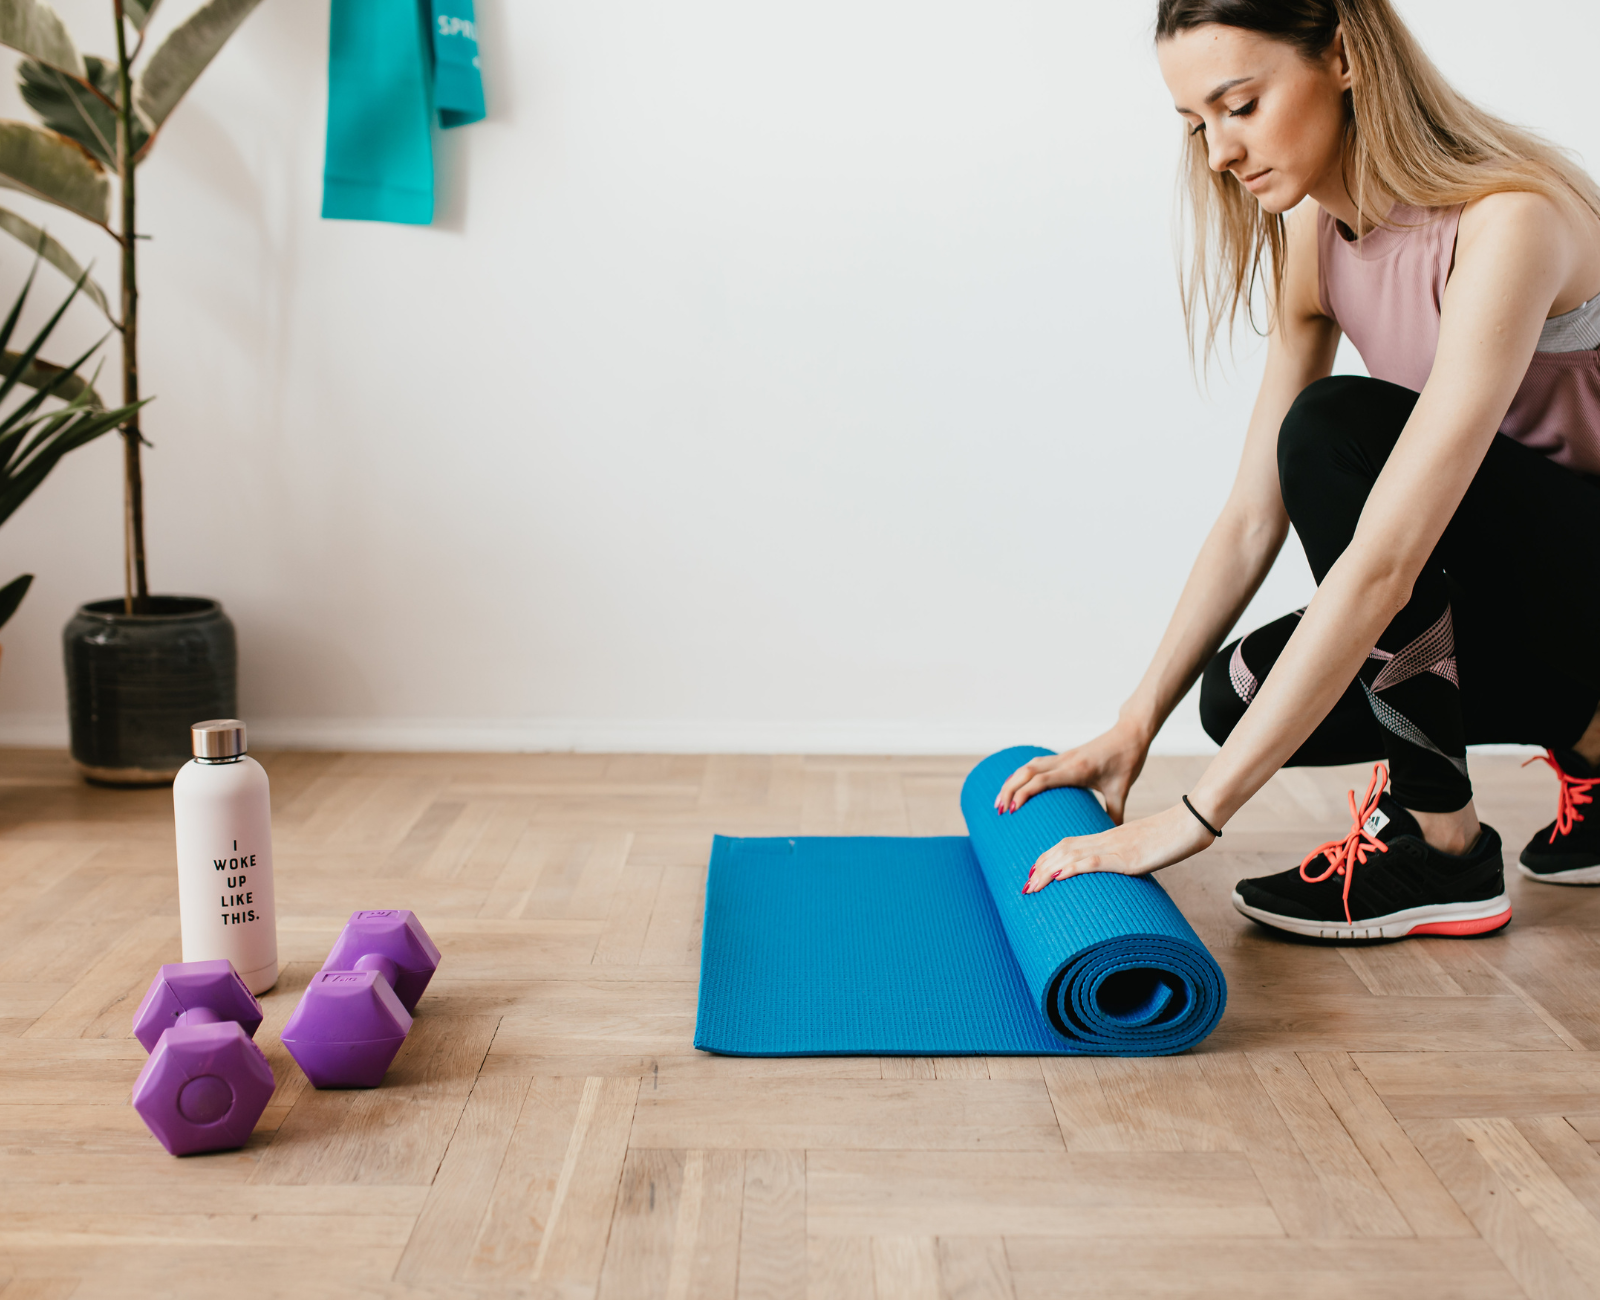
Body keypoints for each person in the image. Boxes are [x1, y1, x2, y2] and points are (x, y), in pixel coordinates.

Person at [995, 0, 1600, 940]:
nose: (1219, 154)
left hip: (1581, 566)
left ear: (1346, 58)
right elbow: (1251, 517)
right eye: (1198, 124)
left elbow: (1387, 556)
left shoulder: (1510, 220)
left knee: (1334, 428)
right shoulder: (1314, 238)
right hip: (1540, 589)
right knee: (1234, 697)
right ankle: (1594, 741)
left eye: (1239, 105)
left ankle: (1444, 851)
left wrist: (1195, 819)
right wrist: (1133, 724)